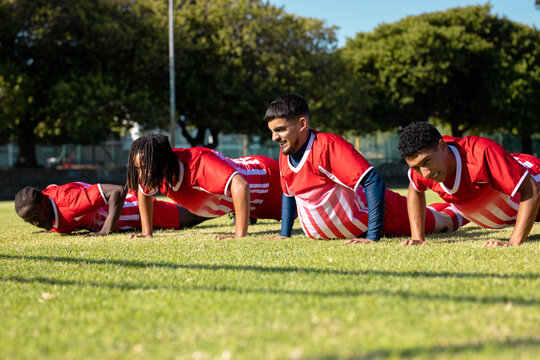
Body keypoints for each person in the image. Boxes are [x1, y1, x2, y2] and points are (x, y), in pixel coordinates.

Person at [264, 93, 466, 243]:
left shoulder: (327, 146)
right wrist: (284, 234)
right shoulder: (286, 153)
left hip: (387, 214)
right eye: (272, 131)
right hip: (361, 224)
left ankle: (471, 208)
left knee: (442, 222)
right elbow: (288, 193)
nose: (274, 138)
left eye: (280, 130)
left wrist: (372, 237)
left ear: (301, 124)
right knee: (435, 213)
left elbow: (373, 181)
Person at [398, 122, 540, 247]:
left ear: (442, 146)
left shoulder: (480, 154)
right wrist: (417, 237)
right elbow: (415, 189)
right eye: (416, 167)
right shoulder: (424, 162)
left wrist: (513, 243)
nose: (425, 173)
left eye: (427, 161)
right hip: (498, 203)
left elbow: (531, 190)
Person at [126, 134, 282, 238]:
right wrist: (147, 232)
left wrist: (239, 235)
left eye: (144, 167)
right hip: (253, 205)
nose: (141, 174)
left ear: (163, 163)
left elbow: (241, 186)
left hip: (269, 181)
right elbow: (143, 193)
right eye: (138, 168)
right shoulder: (154, 169)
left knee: (301, 210)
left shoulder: (199, 163)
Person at [14, 182, 208, 235]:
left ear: (45, 203)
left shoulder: (70, 203)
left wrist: (105, 230)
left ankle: (231, 204)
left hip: (133, 210)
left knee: (189, 216)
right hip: (123, 213)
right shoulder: (47, 199)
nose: (35, 222)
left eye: (35, 215)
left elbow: (116, 191)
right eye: (29, 220)